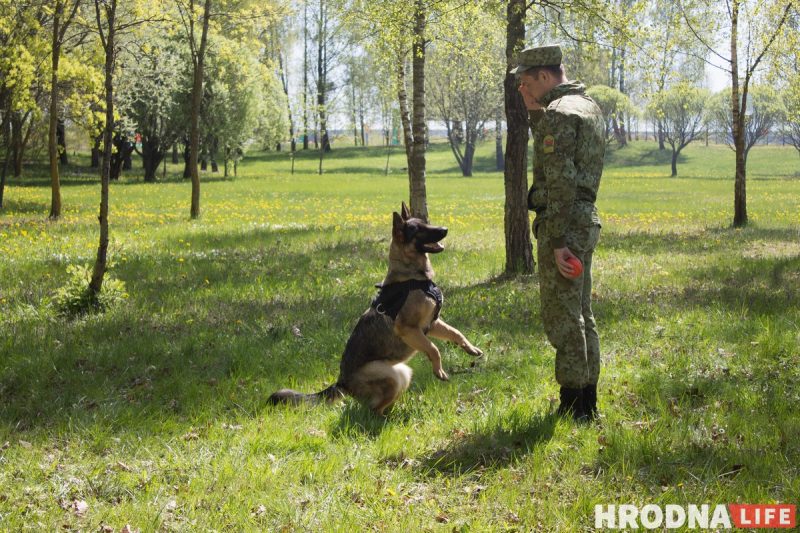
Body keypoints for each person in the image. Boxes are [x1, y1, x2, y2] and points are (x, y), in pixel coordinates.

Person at [512, 45, 605, 422]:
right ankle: (588, 399)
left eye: (526, 82)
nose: (522, 88)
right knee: (581, 312)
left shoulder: (559, 114)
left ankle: (573, 407)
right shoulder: (587, 107)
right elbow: (564, 157)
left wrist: (557, 241)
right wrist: (535, 111)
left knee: (563, 318)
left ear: (544, 76)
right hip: (585, 219)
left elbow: (561, 181)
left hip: (564, 223)